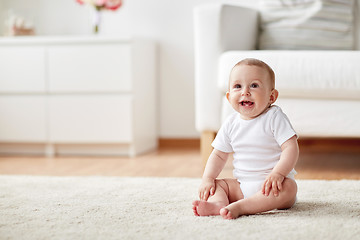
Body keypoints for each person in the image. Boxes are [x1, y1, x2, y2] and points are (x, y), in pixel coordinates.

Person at [192, 58, 299, 220]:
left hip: (273, 186)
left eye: (254, 85)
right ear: (229, 97)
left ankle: (241, 207)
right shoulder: (231, 123)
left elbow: (291, 148)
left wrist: (278, 173)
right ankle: (219, 204)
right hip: (242, 186)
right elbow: (219, 155)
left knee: (290, 187)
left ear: (272, 96)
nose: (245, 92)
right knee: (218, 185)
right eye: (237, 86)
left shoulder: (274, 116)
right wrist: (208, 178)